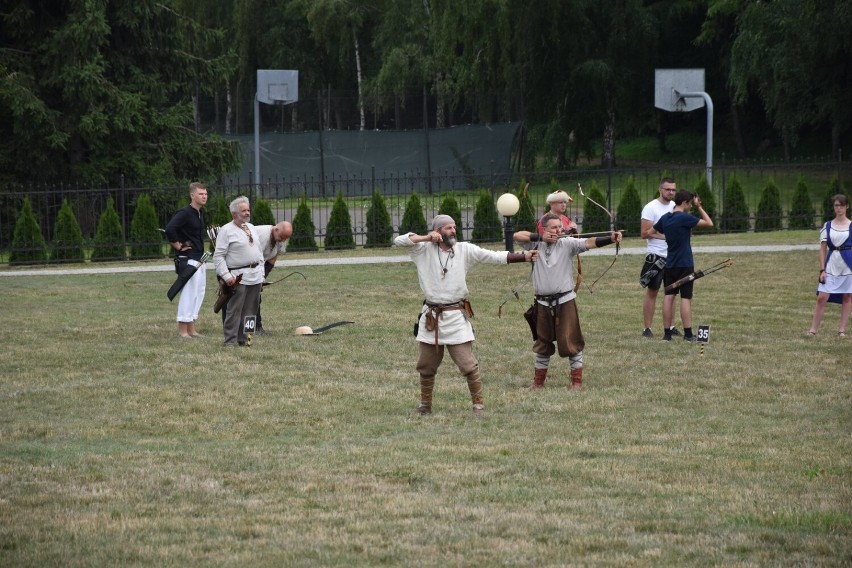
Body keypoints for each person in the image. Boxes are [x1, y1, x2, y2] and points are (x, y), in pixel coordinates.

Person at [394, 214, 538, 416]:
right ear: (437, 231)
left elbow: (493, 256)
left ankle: (478, 405)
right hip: (431, 317)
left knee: (467, 364)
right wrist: (427, 238)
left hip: (455, 316)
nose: (453, 231)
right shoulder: (422, 250)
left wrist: (523, 257)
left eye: (454, 227)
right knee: (426, 366)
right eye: (448, 228)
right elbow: (399, 240)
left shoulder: (464, 249)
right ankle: (425, 406)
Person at [515, 214, 622, 390]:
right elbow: (516, 236)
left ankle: (576, 382)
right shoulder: (535, 243)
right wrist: (540, 238)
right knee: (542, 342)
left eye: (560, 227)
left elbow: (589, 242)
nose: (559, 230)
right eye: (554, 228)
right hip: (542, 303)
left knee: (571, 340)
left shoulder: (568, 244)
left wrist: (611, 238)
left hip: (565, 301)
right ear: (544, 229)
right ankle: (538, 382)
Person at [653, 189, 714, 341]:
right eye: (691, 204)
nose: (691, 207)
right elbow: (709, 223)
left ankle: (667, 335)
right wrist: (699, 207)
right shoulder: (685, 218)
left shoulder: (665, 218)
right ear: (685, 203)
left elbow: (650, 232)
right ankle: (688, 334)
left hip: (670, 264)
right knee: (685, 298)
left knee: (669, 296)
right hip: (685, 264)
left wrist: (666, 237)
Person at [213, 196, 265, 347]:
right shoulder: (226, 231)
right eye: (244, 211)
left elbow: (259, 252)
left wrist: (261, 274)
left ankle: (247, 339)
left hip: (255, 276)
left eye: (248, 210)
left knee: (251, 311)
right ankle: (230, 340)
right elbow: (219, 256)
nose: (248, 213)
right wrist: (226, 275)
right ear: (234, 214)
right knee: (234, 310)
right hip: (237, 277)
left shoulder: (251, 227)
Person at [164, 182, 208, 338]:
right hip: (188, 259)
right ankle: (183, 331)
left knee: (198, 292)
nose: (204, 196)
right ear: (192, 195)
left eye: (205, 194)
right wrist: (178, 245)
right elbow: (170, 228)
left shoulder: (199, 213)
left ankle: (192, 329)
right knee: (189, 293)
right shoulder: (185, 212)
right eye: (201, 194)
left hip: (199, 258)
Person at [807, 194, 851, 337]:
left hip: (848, 265)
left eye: (841, 205)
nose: (838, 208)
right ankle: (813, 330)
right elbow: (822, 249)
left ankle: (841, 330)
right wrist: (822, 269)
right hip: (831, 264)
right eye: (836, 205)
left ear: (847, 207)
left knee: (847, 297)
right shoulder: (827, 226)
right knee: (822, 297)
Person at [640, 177, 678, 339]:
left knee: (672, 293)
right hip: (656, 256)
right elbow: (644, 234)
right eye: (667, 189)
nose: (670, 192)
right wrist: (667, 237)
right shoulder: (650, 208)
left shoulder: (676, 207)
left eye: (673, 190)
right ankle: (647, 328)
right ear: (660, 190)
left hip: (674, 256)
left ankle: (671, 326)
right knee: (653, 292)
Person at [253, 221, 293, 334]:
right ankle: (235, 328)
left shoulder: (279, 238)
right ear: (276, 229)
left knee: (256, 296)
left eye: (286, 239)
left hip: (258, 267)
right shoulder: (260, 235)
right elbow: (252, 257)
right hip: (245, 264)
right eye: (282, 237)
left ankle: (257, 326)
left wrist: (262, 277)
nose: (283, 241)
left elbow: (272, 259)